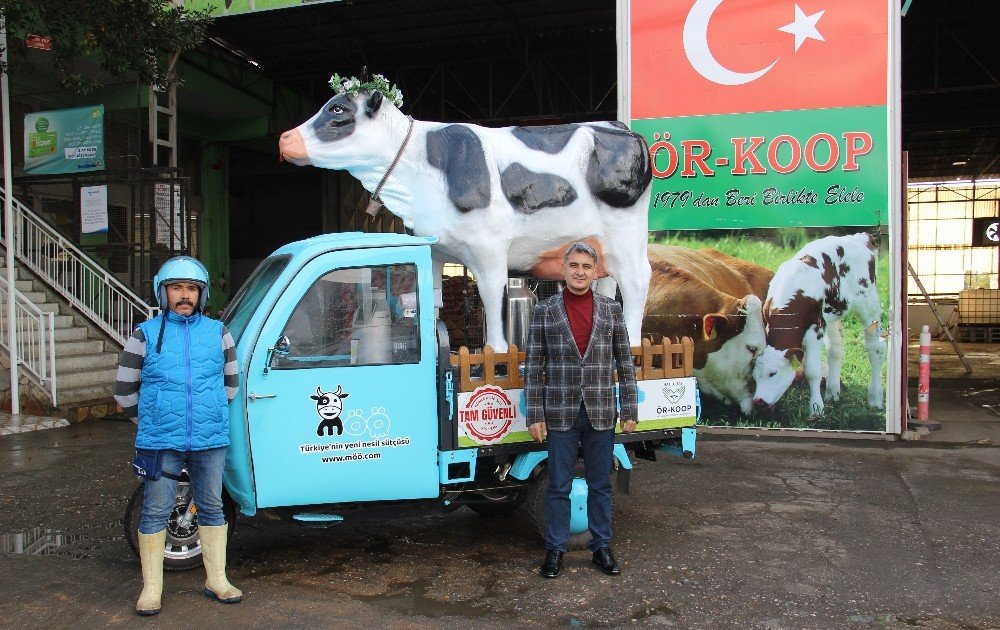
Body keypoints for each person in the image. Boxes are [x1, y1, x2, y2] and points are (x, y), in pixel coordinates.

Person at [114, 256, 241, 615]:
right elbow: (124, 390)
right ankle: (151, 589)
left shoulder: (219, 332)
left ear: (201, 295)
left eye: (191, 289)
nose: (183, 295)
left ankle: (217, 579)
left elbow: (231, 384)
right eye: (176, 288)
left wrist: (208, 413)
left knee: (213, 506)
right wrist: (151, 421)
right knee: (155, 510)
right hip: (159, 442)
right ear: (163, 292)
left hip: (210, 440)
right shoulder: (145, 334)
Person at [524, 241, 638, 579]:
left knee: (600, 484)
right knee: (559, 485)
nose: (580, 272)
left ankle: (601, 546)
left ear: (596, 271)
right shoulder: (546, 310)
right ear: (564, 269)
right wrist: (534, 413)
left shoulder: (610, 309)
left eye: (587, 267)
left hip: (601, 410)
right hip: (559, 411)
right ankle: (555, 550)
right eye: (574, 266)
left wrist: (629, 406)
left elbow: (625, 362)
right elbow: (533, 366)